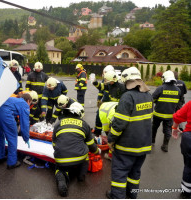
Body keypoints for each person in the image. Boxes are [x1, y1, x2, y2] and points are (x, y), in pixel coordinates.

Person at [106, 67, 153, 199]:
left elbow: (119, 123)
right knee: (134, 174)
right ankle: (131, 196)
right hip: (143, 145)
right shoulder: (148, 95)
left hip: (127, 146)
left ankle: (117, 196)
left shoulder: (127, 97)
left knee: (119, 174)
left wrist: (111, 139)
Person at [52, 102, 101, 197]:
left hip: (61, 158)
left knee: (59, 168)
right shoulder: (84, 124)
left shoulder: (58, 124)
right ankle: (81, 176)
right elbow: (91, 144)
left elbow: (54, 144)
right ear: (80, 113)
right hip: (80, 157)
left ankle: (62, 175)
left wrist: (61, 151)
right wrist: (97, 151)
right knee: (85, 153)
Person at [0, 93, 31, 169]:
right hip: (4, 114)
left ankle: (0, 157)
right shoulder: (24, 104)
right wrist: (26, 138)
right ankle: (12, 163)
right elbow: (24, 123)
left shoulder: (13, 100)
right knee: (12, 138)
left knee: (0, 135)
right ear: (28, 101)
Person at [152, 70, 181, 152]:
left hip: (158, 114)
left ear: (164, 78)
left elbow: (152, 99)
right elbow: (179, 103)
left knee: (154, 127)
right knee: (167, 130)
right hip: (169, 115)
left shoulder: (160, 88)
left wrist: (157, 101)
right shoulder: (178, 90)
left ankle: (152, 140)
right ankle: (165, 145)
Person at [172, 100, 191, 199]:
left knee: (189, 165)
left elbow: (178, 116)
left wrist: (174, 128)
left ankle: (186, 191)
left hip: (189, 138)